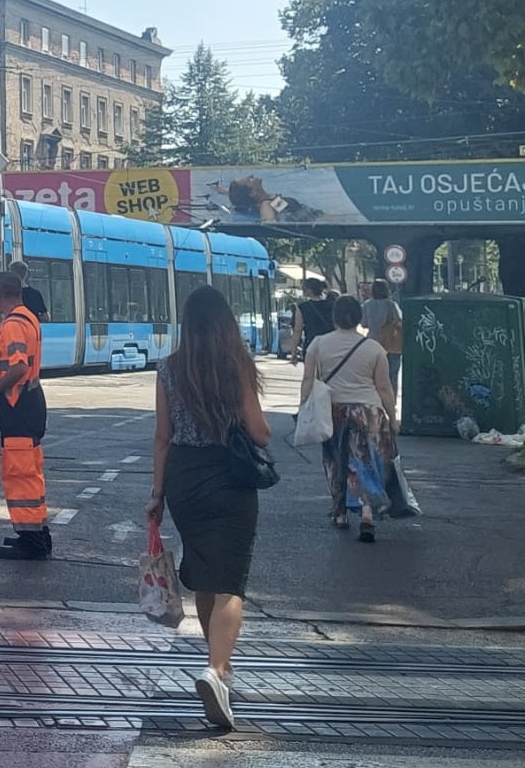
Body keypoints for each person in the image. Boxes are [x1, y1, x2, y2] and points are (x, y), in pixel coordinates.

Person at [147, 284, 272, 732]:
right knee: (231, 581)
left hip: (184, 479)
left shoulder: (169, 369)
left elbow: (162, 436)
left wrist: (157, 495)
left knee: (201, 571)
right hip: (228, 477)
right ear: (225, 323)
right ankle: (218, 670)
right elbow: (259, 432)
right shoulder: (236, 365)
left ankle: (214, 662)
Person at [302, 295, 399, 542]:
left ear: (334, 317)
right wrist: (393, 416)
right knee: (366, 462)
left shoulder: (318, 344)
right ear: (359, 318)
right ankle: (367, 513)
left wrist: (304, 407)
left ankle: (340, 512)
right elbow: (384, 387)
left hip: (334, 412)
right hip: (369, 412)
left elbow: (308, 380)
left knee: (336, 461)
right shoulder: (375, 349)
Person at [0, 271, 50, 559]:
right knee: (29, 473)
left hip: (18, 405)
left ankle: (31, 541)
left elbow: (19, 367)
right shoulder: (28, 317)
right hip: (29, 402)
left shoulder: (12, 325)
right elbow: (20, 360)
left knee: (19, 474)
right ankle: (37, 534)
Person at [361, 279, 405, 397]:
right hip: (391, 344)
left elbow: (364, 324)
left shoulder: (367, 305)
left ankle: (376, 400)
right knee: (392, 375)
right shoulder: (391, 304)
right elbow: (400, 321)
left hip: (372, 343)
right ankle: (391, 400)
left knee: (373, 375)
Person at [295, 278, 335, 362]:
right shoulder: (332, 305)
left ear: (309, 290)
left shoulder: (303, 307)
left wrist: (294, 350)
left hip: (311, 343)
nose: (302, 291)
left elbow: (297, 330)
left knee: (311, 372)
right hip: (330, 344)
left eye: (304, 289)